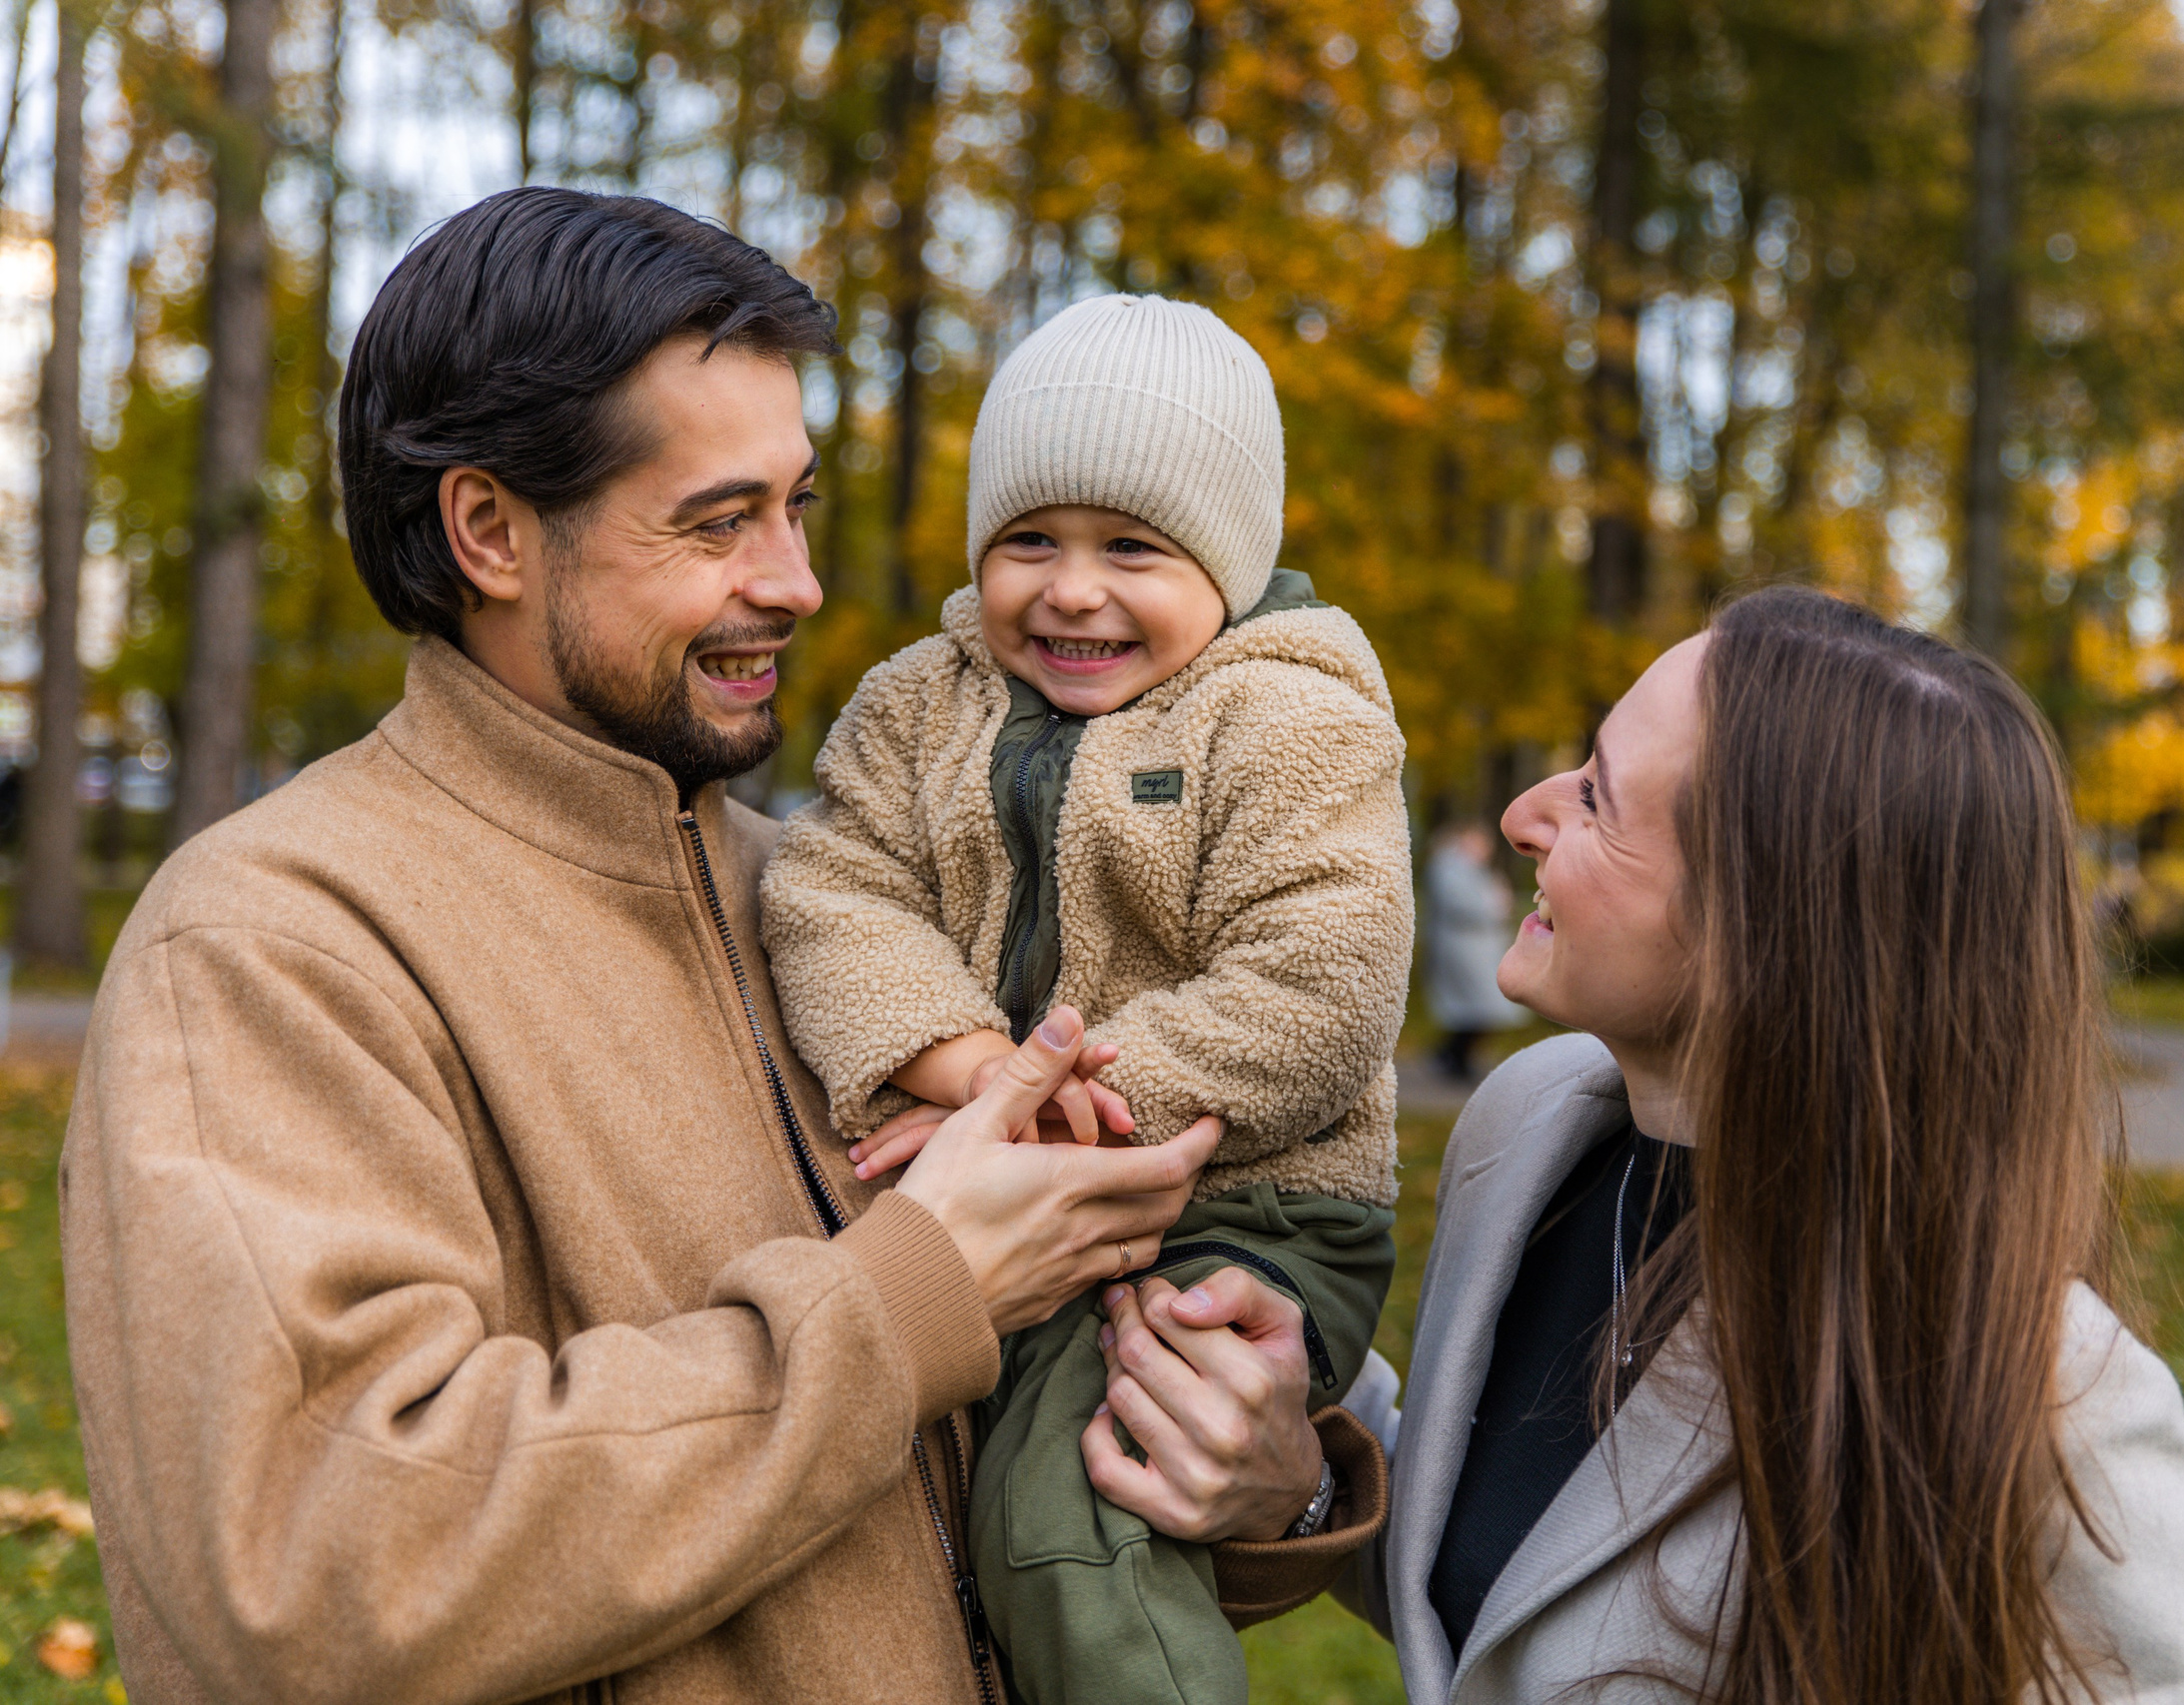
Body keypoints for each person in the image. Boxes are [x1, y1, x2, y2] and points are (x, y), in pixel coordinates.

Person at [57, 189, 1373, 1705]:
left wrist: (1266, 1478)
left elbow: (976, 1526)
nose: (796, 582)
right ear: (490, 528)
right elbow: (310, 1561)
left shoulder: (837, 909)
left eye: (795, 506)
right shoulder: (271, 944)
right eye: (718, 520)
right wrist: (912, 1293)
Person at [1098, 586, 2184, 1702]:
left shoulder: (2053, 1402)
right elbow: (1507, 1602)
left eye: (1597, 800)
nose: (1525, 816)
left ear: (1764, 928)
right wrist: (1294, 1461)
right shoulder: (1525, 1135)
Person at [760, 292, 1409, 1705]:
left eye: (1133, 547)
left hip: (1244, 1194)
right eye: (1028, 540)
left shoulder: (1290, 718)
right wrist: (962, 1062)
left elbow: (1322, 981)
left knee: (1073, 1503)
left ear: (1227, 563)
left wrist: (1056, 1112)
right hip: (1009, 1163)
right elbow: (829, 888)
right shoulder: (920, 705)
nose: (1069, 588)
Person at [1422, 821, 1529, 1080]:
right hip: (1463, 949)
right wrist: (1495, 906)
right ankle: (1453, 1058)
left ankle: (1453, 1055)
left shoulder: (1471, 870)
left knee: (1480, 1007)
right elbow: (1467, 905)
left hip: (1478, 948)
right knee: (1475, 1007)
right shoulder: (1450, 868)